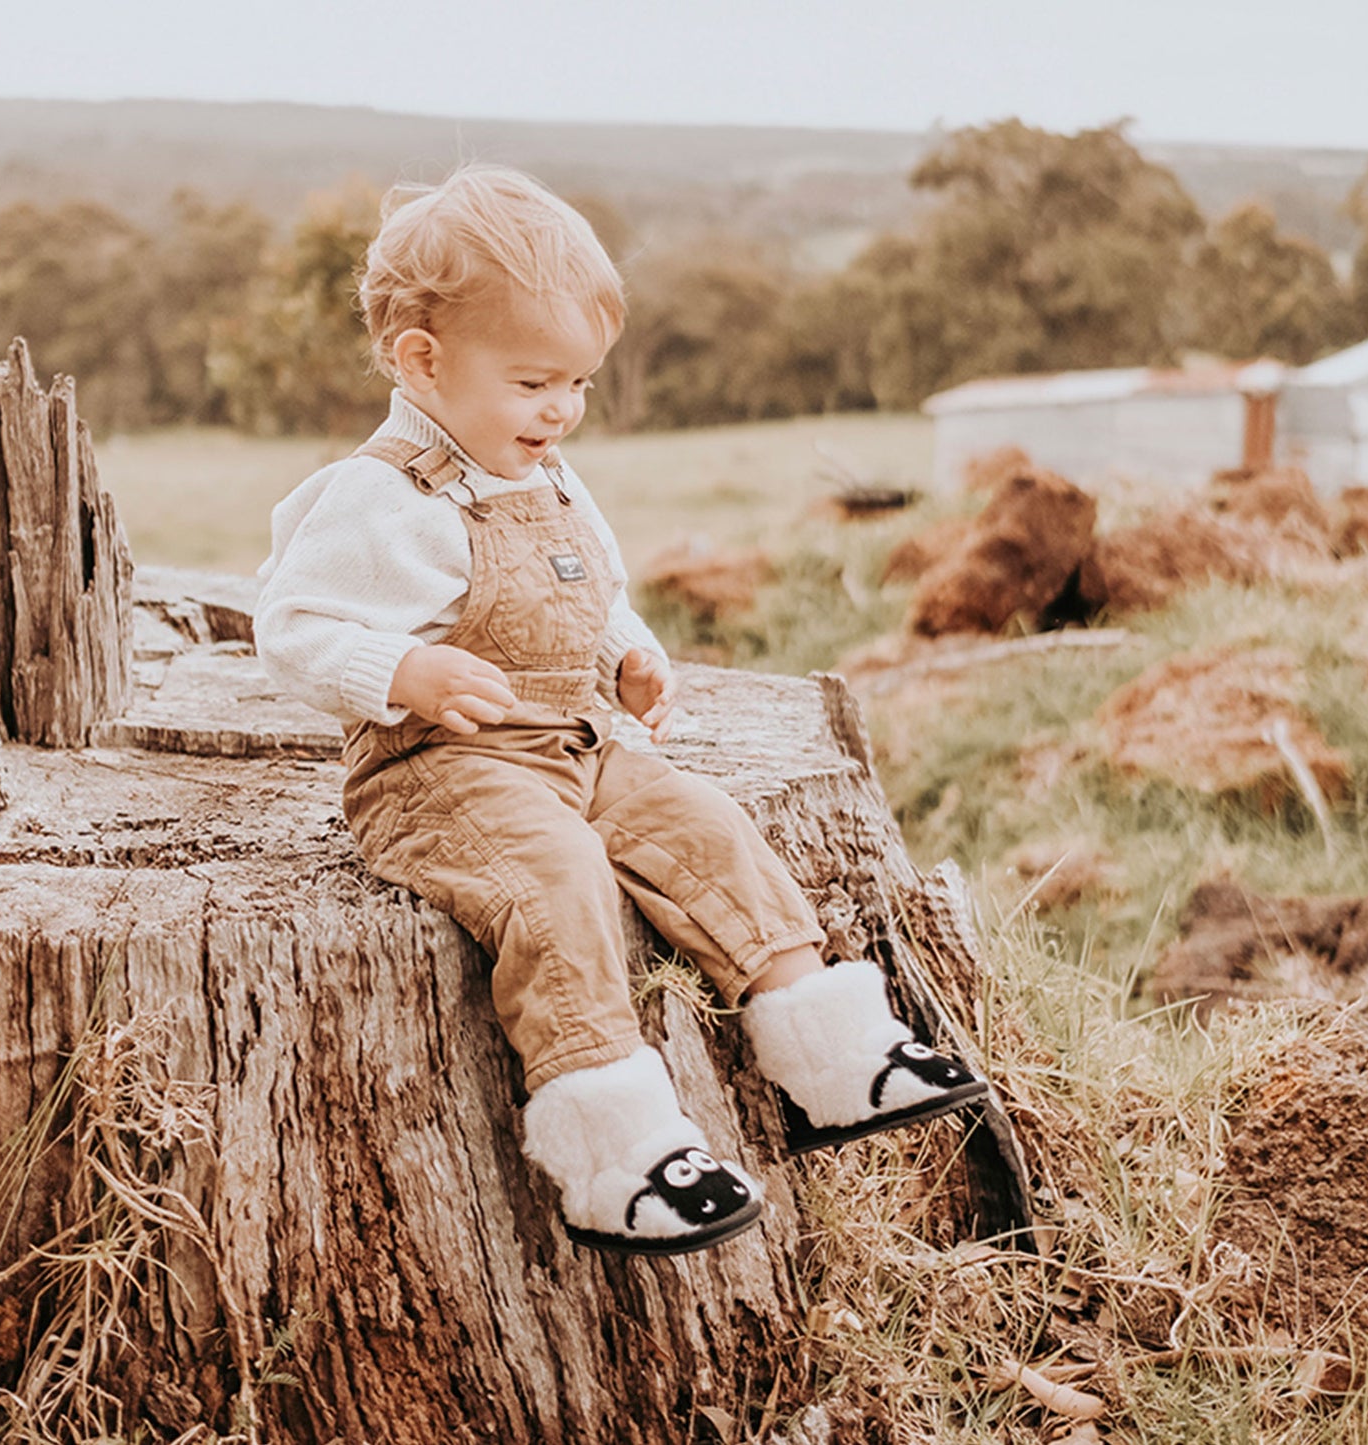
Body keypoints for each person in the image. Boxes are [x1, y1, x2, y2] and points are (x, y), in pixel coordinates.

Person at [254, 163, 987, 1257]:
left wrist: (628, 655)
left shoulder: (546, 472)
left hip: (579, 744)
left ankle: (833, 1053)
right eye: (533, 382)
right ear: (422, 360)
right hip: (440, 774)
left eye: (579, 383)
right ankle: (619, 1150)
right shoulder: (384, 496)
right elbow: (292, 625)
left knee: (706, 824)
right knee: (559, 880)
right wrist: (402, 670)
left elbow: (588, 588)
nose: (562, 409)